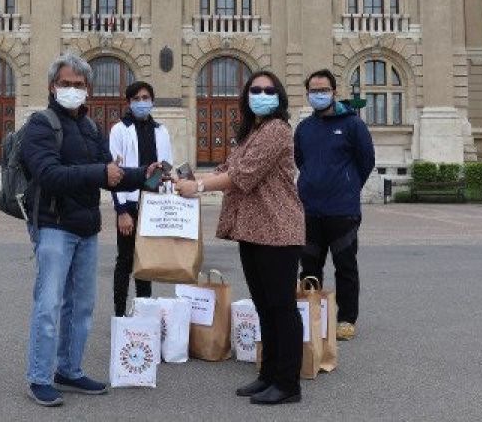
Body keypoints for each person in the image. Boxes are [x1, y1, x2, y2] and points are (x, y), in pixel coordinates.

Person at [20, 52, 160, 408]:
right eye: (65, 84)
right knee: (49, 304)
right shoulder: (40, 124)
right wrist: (102, 174)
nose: (72, 89)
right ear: (53, 86)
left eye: (78, 85)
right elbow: (48, 174)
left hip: (86, 228)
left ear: (88, 90)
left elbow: (110, 171)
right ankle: (39, 376)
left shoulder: (90, 127)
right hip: (53, 226)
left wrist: (145, 175)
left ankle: (69, 369)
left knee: (82, 305)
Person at [176, 70, 304, 406]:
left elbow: (243, 176)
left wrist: (198, 188)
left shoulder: (277, 130)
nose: (262, 94)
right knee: (265, 306)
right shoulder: (252, 132)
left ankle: (288, 383)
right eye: (255, 90)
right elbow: (226, 169)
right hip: (253, 229)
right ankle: (269, 374)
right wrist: (185, 179)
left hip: (278, 229)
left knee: (281, 307)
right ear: (247, 96)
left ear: (279, 96)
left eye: (268, 89)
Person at [294, 69, 376, 342]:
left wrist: (349, 185)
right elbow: (300, 161)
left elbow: (366, 161)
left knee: (345, 266)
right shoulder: (305, 128)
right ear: (308, 94)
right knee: (309, 267)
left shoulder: (353, 124)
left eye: (323, 90)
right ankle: (311, 315)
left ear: (333, 92)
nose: (318, 95)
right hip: (310, 210)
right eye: (313, 91)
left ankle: (346, 319)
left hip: (343, 211)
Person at [109, 80, 173, 317]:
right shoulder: (119, 130)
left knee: (145, 260)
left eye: (146, 98)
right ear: (129, 102)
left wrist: (160, 192)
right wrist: (122, 211)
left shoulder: (161, 130)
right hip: (129, 204)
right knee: (125, 260)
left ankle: (143, 312)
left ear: (153, 101)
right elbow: (114, 173)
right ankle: (119, 313)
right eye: (136, 99)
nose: (142, 103)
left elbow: (165, 167)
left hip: (152, 204)